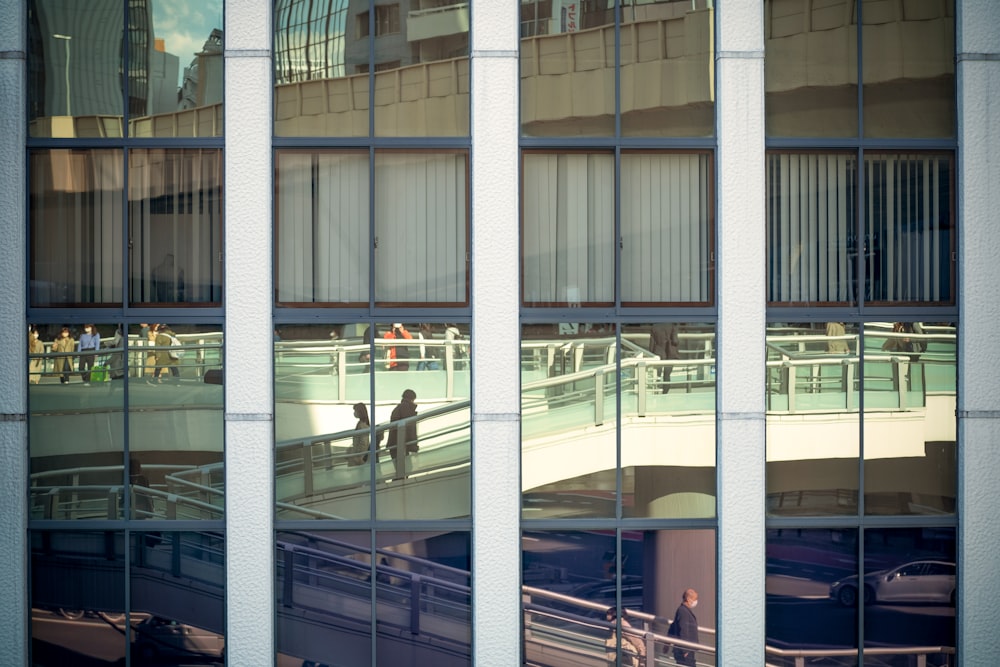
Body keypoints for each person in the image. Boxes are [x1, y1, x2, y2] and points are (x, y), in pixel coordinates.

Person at [385, 389, 418, 480]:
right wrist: (413, 446)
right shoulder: (406, 408)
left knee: (401, 470)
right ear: (412, 399)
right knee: (404, 469)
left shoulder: (399, 408)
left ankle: (398, 486)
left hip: (396, 444)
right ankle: (398, 489)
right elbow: (409, 429)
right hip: (400, 445)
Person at [668, 588, 699, 667]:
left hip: (685, 649)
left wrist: (667, 643)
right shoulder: (683, 611)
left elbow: (673, 626)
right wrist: (685, 650)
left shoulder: (683, 610)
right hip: (685, 650)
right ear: (688, 599)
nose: (696, 601)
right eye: (695, 599)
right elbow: (683, 630)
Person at [648, 323, 679, 394]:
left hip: (658, 353)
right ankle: (665, 394)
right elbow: (675, 341)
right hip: (669, 354)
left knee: (656, 376)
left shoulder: (654, 326)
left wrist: (651, 355)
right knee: (667, 376)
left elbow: (651, 345)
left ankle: (655, 392)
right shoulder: (673, 325)